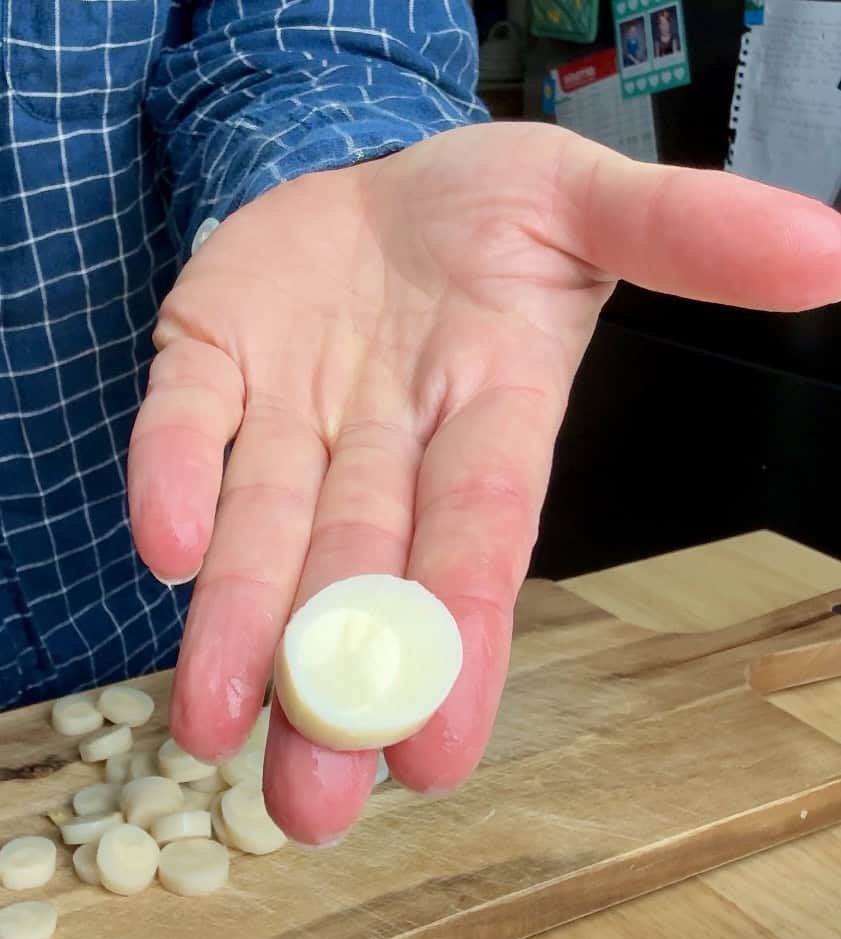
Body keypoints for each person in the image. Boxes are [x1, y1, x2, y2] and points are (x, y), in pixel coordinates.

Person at [2, 2, 840, 847]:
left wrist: (343, 160)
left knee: (226, 724)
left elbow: (322, 27)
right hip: (175, 546)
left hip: (171, 579)